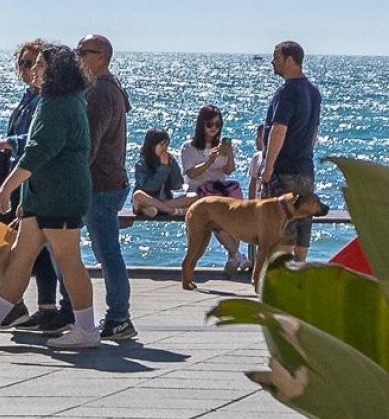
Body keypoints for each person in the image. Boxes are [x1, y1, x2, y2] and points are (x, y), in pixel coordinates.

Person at [0, 45, 102, 349]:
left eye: (39, 65)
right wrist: (25, 199)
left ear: (54, 71)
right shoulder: (59, 101)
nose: (33, 70)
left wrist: (5, 190)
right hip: (45, 195)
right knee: (22, 255)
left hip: (59, 195)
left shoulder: (57, 104)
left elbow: (37, 152)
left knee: (69, 260)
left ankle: (86, 328)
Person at [0, 41, 54, 330]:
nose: (26, 69)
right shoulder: (28, 98)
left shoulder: (46, 101)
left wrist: (4, 143)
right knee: (15, 246)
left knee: (40, 250)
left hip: (30, 182)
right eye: (23, 63)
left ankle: (44, 308)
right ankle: (17, 305)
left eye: (32, 63)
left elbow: (35, 142)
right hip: (15, 180)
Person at [78, 34, 134, 341]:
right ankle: (112, 315)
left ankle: (119, 316)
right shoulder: (108, 88)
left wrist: (74, 174)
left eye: (83, 52)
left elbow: (90, 143)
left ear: (101, 57)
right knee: (105, 250)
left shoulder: (101, 91)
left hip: (101, 184)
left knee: (107, 252)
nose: (79, 56)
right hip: (108, 181)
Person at [258, 40, 323, 262]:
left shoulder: (286, 92)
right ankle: (300, 268)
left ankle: (281, 274)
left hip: (284, 169)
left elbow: (278, 131)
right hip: (305, 167)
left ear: (289, 60)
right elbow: (313, 132)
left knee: (281, 224)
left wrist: (267, 168)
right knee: (304, 221)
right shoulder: (314, 92)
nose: (272, 62)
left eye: (276, 58)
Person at [180, 104, 245, 270]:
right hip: (198, 194)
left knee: (227, 216)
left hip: (218, 193)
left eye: (218, 125)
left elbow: (229, 170)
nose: (214, 128)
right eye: (210, 124)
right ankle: (236, 255)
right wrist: (208, 161)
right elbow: (191, 173)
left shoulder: (223, 147)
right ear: (201, 124)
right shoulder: (189, 147)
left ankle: (234, 256)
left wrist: (229, 153)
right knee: (205, 236)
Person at [131, 130, 189, 217]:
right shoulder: (142, 164)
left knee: (193, 195)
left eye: (166, 145)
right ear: (152, 146)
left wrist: (172, 165)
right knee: (138, 195)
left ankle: (154, 209)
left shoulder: (169, 161)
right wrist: (163, 168)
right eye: (161, 145)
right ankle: (171, 211)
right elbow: (150, 187)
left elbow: (177, 185)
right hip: (145, 202)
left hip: (164, 202)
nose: (164, 148)